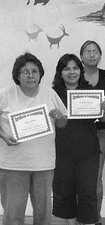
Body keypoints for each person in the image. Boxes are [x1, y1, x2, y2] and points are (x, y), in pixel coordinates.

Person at [0, 52, 67, 225]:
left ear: (40, 74)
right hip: (13, 164)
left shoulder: (49, 93)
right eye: (25, 71)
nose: (30, 75)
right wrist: (4, 136)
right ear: (17, 75)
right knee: (12, 215)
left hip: (43, 164)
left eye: (35, 71)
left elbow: (63, 123)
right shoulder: (5, 94)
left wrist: (59, 117)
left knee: (43, 215)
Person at [52, 54, 105, 225]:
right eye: (66, 68)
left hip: (88, 152)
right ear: (60, 73)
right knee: (64, 193)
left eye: (75, 68)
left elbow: (103, 121)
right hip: (62, 153)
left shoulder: (91, 92)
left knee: (88, 194)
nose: (71, 72)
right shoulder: (52, 94)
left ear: (81, 71)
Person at [80, 40, 105, 225]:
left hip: (100, 131)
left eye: (95, 51)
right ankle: (79, 217)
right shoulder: (74, 74)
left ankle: (95, 218)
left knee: (95, 177)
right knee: (78, 176)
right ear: (81, 56)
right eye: (87, 51)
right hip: (77, 132)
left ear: (100, 55)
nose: (92, 54)